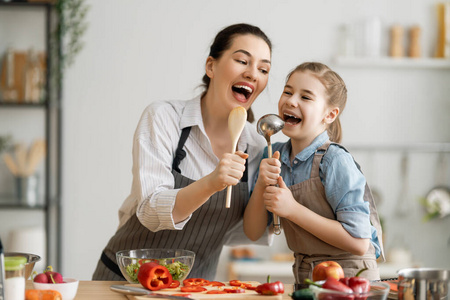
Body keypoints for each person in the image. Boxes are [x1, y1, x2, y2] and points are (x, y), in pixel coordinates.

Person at [92, 23, 272, 281]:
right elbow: (151, 211)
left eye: (263, 69)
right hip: (125, 282)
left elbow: (246, 232)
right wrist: (212, 182)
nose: (253, 74)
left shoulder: (256, 146)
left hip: (196, 288)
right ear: (211, 66)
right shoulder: (164, 118)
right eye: (242, 60)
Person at [243, 62, 385, 284]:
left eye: (306, 97)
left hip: (351, 277)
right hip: (305, 275)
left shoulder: (335, 160)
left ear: (329, 115)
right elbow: (253, 232)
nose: (291, 100)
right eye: (288, 92)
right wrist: (262, 182)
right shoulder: (273, 154)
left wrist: (292, 210)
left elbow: (359, 243)